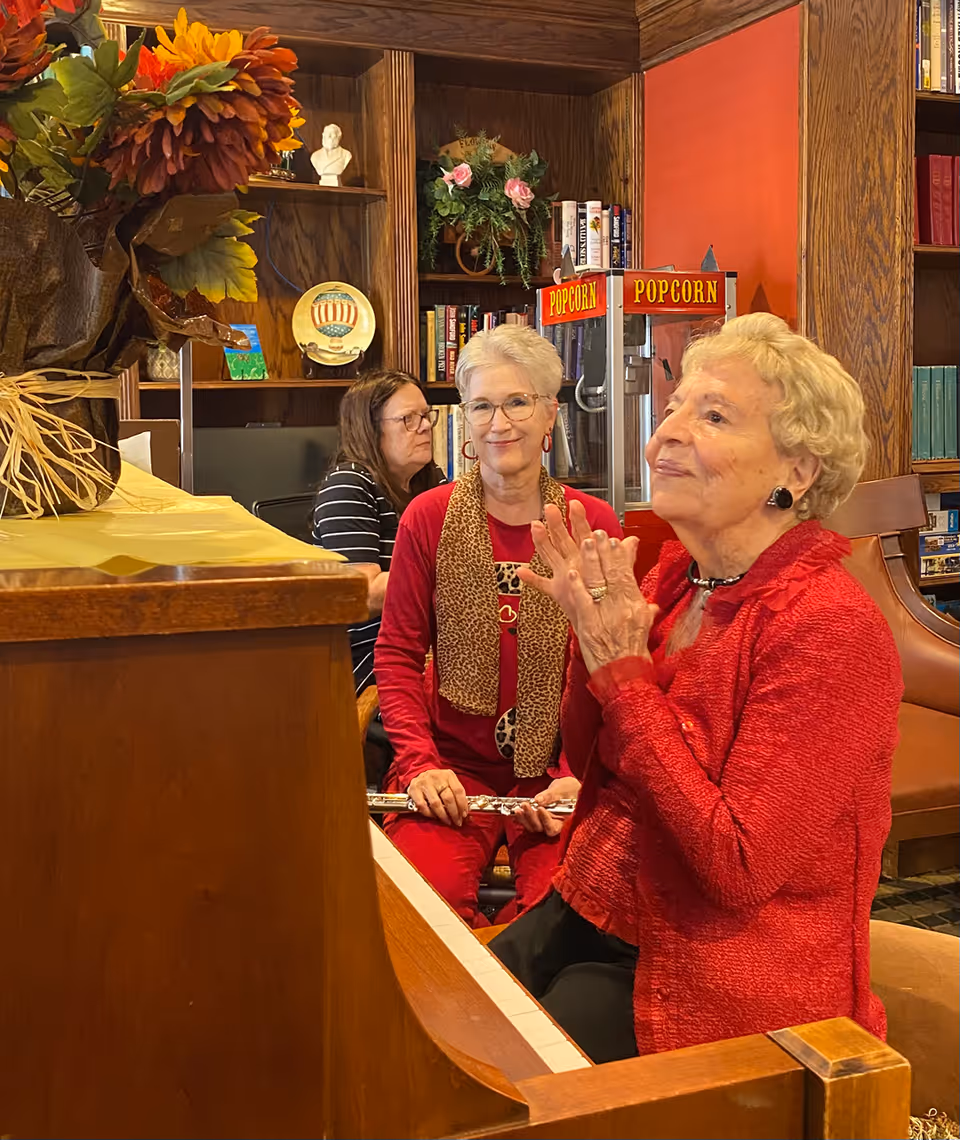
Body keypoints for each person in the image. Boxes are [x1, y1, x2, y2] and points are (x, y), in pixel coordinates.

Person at [491, 312, 903, 1064]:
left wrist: (623, 677)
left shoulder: (828, 625)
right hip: (592, 909)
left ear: (798, 470)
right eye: (675, 405)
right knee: (422, 1027)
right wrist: (591, 643)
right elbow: (593, 765)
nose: (667, 433)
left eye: (713, 415)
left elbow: (736, 865)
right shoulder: (677, 576)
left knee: (494, 1084)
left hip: (714, 970)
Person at [374, 325, 621, 928]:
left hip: (562, 775)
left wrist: (573, 778)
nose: (498, 423)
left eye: (517, 402)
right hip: (450, 772)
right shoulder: (426, 518)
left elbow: (615, 668)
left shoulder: (593, 521)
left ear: (549, 416)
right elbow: (399, 654)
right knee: (416, 914)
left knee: (570, 917)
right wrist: (418, 763)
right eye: (481, 405)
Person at [313, 370, 444, 695]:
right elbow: (364, 594)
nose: (425, 426)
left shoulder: (431, 483)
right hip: (370, 656)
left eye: (426, 416)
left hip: (434, 643)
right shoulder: (347, 484)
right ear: (371, 430)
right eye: (408, 419)